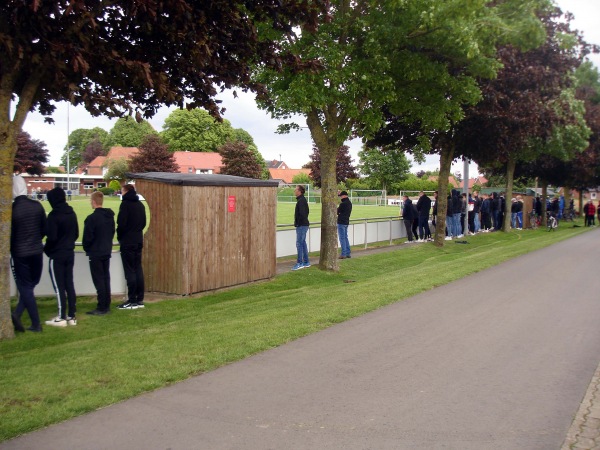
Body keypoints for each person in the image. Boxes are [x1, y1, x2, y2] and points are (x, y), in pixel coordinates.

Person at [10, 175, 46, 332]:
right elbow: (44, 229)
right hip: (36, 250)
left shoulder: (11, 210)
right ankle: (19, 315)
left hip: (20, 252)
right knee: (31, 284)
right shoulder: (37, 206)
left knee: (25, 286)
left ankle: (33, 322)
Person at [44, 187, 79, 327]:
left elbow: (51, 237)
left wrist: (47, 250)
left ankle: (61, 316)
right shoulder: (72, 213)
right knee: (69, 284)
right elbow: (76, 233)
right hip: (70, 252)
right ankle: (72, 315)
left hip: (57, 254)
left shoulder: (53, 215)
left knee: (59, 286)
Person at [83, 191, 115, 315]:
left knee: (99, 280)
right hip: (106, 250)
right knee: (105, 278)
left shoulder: (92, 219)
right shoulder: (109, 217)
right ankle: (106, 304)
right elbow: (112, 232)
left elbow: (87, 238)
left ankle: (102, 306)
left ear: (93, 202)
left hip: (96, 252)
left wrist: (88, 248)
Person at [117, 184, 147, 309]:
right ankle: (139, 298)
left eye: (122, 191)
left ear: (126, 191)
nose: (121, 193)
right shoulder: (140, 205)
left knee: (130, 270)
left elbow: (121, 223)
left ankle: (132, 299)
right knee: (138, 268)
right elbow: (144, 223)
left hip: (128, 241)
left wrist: (120, 236)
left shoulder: (125, 205)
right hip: (138, 240)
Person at [292, 185, 310, 270]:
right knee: (303, 243)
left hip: (302, 225)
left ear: (299, 191)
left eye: (295, 190)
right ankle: (306, 262)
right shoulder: (302, 200)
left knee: (299, 244)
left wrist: (298, 223)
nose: (294, 191)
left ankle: (300, 263)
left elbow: (303, 214)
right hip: (303, 225)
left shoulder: (301, 201)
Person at [337, 190, 352, 259]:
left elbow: (337, 211)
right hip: (346, 222)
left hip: (341, 222)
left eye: (341, 196)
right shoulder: (349, 203)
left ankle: (343, 254)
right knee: (345, 237)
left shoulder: (343, 204)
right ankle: (348, 253)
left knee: (342, 238)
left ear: (344, 196)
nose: (340, 198)